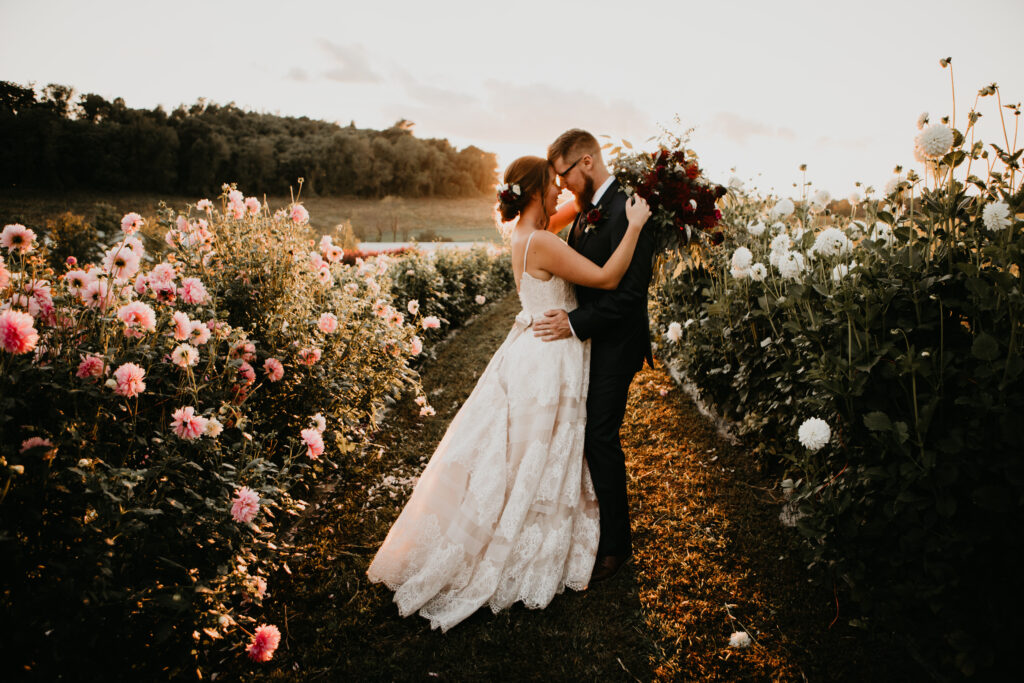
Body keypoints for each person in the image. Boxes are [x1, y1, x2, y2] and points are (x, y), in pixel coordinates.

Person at [366, 156, 650, 631]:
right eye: (552, 186)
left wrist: (590, 189)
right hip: (551, 356)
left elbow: (569, 208)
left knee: (523, 450)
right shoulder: (539, 241)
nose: (562, 191)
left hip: (532, 350)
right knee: (537, 450)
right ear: (536, 192)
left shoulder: (524, 231)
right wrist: (636, 225)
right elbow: (605, 279)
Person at [533, 129, 657, 583]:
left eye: (564, 173)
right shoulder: (584, 213)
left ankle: (616, 546)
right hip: (588, 344)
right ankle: (589, 527)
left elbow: (629, 298)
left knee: (599, 437)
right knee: (584, 433)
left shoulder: (632, 210)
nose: (561, 184)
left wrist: (573, 323)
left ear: (586, 161)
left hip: (616, 344)